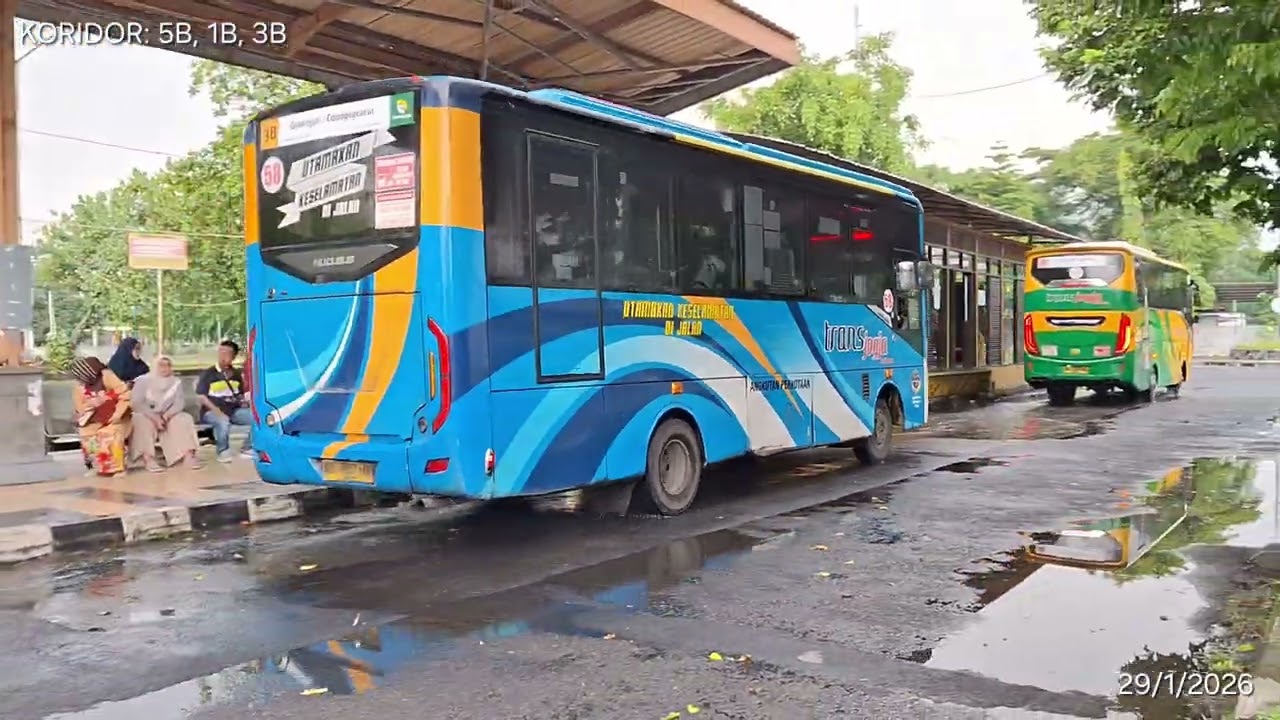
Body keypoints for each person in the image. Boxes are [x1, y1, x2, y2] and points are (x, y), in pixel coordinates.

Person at [131, 355, 202, 472]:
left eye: (168, 365)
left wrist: (167, 416)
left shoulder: (176, 382)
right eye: (161, 365)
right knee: (139, 420)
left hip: (167, 415)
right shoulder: (142, 381)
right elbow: (137, 403)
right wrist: (154, 418)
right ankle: (148, 459)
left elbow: (179, 403)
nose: (165, 368)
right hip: (147, 414)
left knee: (184, 418)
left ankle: (188, 456)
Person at [69, 357, 132, 477]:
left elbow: (124, 394)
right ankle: (98, 466)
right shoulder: (80, 386)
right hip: (93, 418)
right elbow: (80, 407)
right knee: (86, 434)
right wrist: (91, 403)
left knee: (109, 433)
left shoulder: (106, 376)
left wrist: (117, 414)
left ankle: (118, 469)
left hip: (117, 417)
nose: (80, 379)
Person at [196, 340, 253, 463]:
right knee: (222, 420)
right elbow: (201, 397)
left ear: (233, 356)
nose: (223, 356)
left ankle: (247, 447)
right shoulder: (208, 373)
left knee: (257, 418)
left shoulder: (236, 374)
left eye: (227, 353)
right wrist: (216, 411)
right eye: (221, 352)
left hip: (233, 410)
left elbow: (239, 394)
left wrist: (243, 401)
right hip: (211, 411)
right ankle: (223, 451)